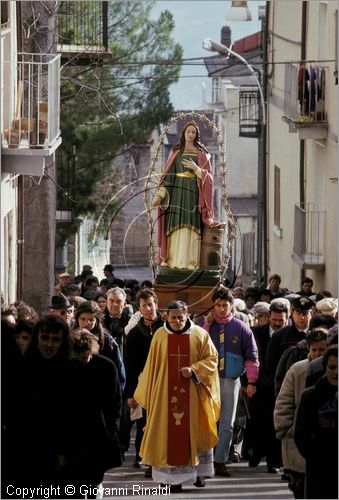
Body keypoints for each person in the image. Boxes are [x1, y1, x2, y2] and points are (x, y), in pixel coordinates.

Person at [134, 300, 220, 492]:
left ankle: (198, 473)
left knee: (196, 432)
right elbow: (151, 368)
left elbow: (212, 359)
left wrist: (195, 369)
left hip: (194, 394)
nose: (178, 321)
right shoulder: (160, 336)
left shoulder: (200, 334)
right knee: (166, 433)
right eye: (173, 318)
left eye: (181, 317)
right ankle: (168, 479)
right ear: (166, 316)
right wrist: (149, 394)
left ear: (188, 315)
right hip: (164, 396)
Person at [202, 286, 259, 477]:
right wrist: (208, 325)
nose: (221, 309)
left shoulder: (241, 328)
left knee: (227, 423)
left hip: (230, 381)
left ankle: (220, 461)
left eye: (225, 305)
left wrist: (251, 381)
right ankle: (204, 461)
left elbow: (251, 356)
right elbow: (198, 346)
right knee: (207, 422)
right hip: (208, 381)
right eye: (217, 305)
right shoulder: (206, 326)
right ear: (213, 306)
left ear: (231, 305)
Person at [152, 120, 220, 269]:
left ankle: (190, 262)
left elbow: (209, 178)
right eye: (188, 131)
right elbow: (168, 176)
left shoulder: (202, 154)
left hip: (193, 194)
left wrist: (196, 169)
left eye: (193, 132)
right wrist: (160, 195)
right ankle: (173, 260)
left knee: (192, 224)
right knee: (176, 225)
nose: (190, 134)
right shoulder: (176, 152)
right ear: (183, 133)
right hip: (177, 193)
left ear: (196, 135)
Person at [62, 329, 122, 499]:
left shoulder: (107, 367)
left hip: (99, 431)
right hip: (73, 433)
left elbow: (115, 403)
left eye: (86, 356)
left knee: (94, 479)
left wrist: (113, 431)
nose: (83, 360)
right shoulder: (66, 367)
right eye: (79, 357)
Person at [274, 328, 328, 498]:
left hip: (327, 442)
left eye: (322, 349)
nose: (318, 354)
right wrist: (288, 430)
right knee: (301, 489)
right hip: (298, 442)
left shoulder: (334, 370)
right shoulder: (298, 370)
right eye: (314, 350)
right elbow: (284, 403)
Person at [125, 289, 164, 471]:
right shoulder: (134, 334)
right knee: (144, 420)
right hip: (144, 381)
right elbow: (130, 366)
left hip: (164, 380)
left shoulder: (166, 328)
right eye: (144, 305)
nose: (148, 309)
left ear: (156, 304)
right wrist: (130, 393)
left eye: (151, 304)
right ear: (139, 308)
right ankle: (143, 455)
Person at [248, 301, 289, 472]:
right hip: (259, 385)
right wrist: (249, 383)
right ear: (268, 317)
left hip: (282, 385)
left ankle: (274, 461)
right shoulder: (256, 333)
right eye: (275, 320)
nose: (278, 324)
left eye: (281, 320)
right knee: (259, 421)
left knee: (275, 423)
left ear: (287, 318)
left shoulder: (289, 334)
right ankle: (256, 452)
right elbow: (249, 356)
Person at [294, 345, 338, 499]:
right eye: (332, 367)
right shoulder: (310, 396)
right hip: (319, 468)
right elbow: (300, 434)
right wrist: (316, 457)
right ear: (325, 368)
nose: (336, 373)